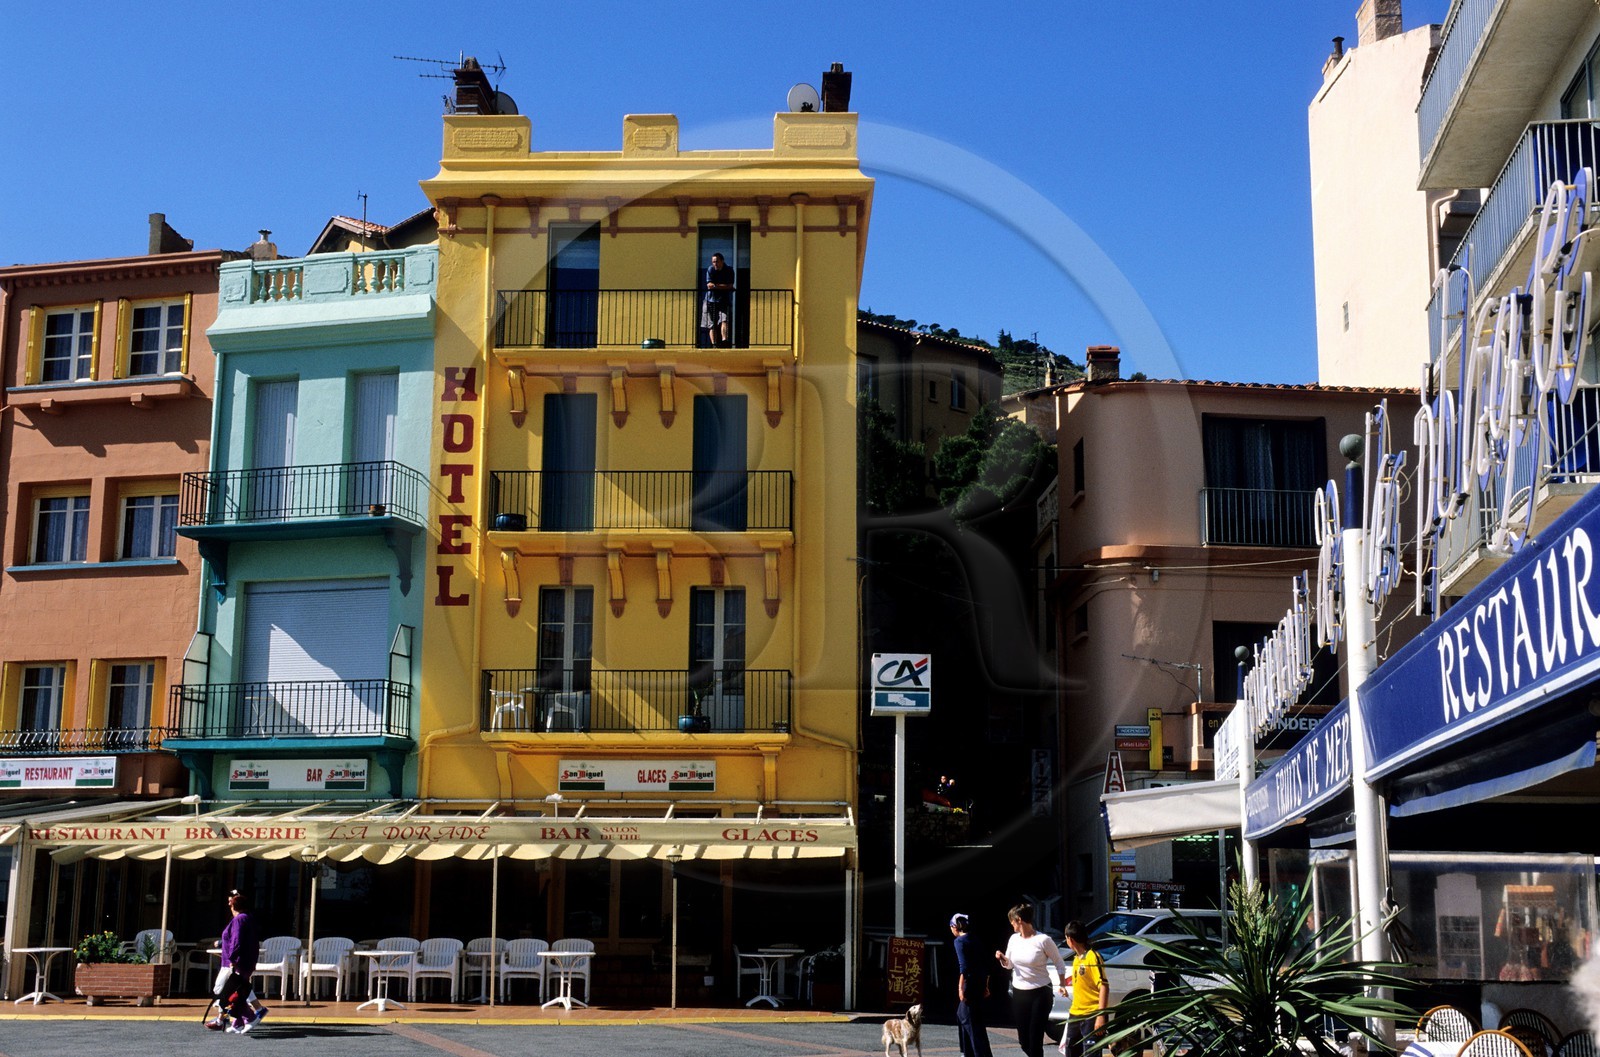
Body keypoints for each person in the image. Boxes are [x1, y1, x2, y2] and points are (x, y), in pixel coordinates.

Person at [994, 903, 1068, 1057]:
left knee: (1035, 1038)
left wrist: (1062, 984)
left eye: (1012, 922)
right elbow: (1009, 965)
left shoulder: (1043, 940)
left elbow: (1059, 962)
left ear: (1019, 920)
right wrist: (1002, 959)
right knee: (1024, 1041)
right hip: (1020, 992)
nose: (1011, 925)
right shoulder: (1014, 939)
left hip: (1040, 993)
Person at [211, 889, 267, 1033]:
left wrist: (232, 958)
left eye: (231, 901)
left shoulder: (240, 919)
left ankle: (248, 1016)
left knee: (225, 990)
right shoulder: (243, 918)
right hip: (240, 961)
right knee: (238, 990)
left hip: (237, 962)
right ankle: (238, 1020)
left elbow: (237, 940)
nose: (229, 903)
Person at [1059, 920, 1108, 1057]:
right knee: (1071, 1051)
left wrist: (1101, 1015)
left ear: (1071, 940)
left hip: (1091, 1015)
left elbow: (1103, 986)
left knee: (1090, 1053)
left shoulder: (1093, 957)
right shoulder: (1076, 959)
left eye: (1066, 937)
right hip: (1075, 1014)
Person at [950, 913, 994, 1057]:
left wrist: (960, 988)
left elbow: (964, 967)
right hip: (980, 982)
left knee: (969, 1019)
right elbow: (985, 963)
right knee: (968, 1017)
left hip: (970, 984)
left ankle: (976, 1053)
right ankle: (967, 1052)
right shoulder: (975, 939)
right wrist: (986, 985)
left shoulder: (959, 942)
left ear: (955, 927)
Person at [701, 252, 734, 347]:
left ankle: (724, 341)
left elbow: (730, 286)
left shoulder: (729, 270)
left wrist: (715, 286)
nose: (715, 264)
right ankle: (714, 344)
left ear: (722, 261)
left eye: (717, 261)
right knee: (711, 324)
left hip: (723, 300)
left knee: (725, 320)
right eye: (713, 262)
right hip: (710, 300)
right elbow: (709, 285)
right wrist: (723, 286)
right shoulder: (711, 269)